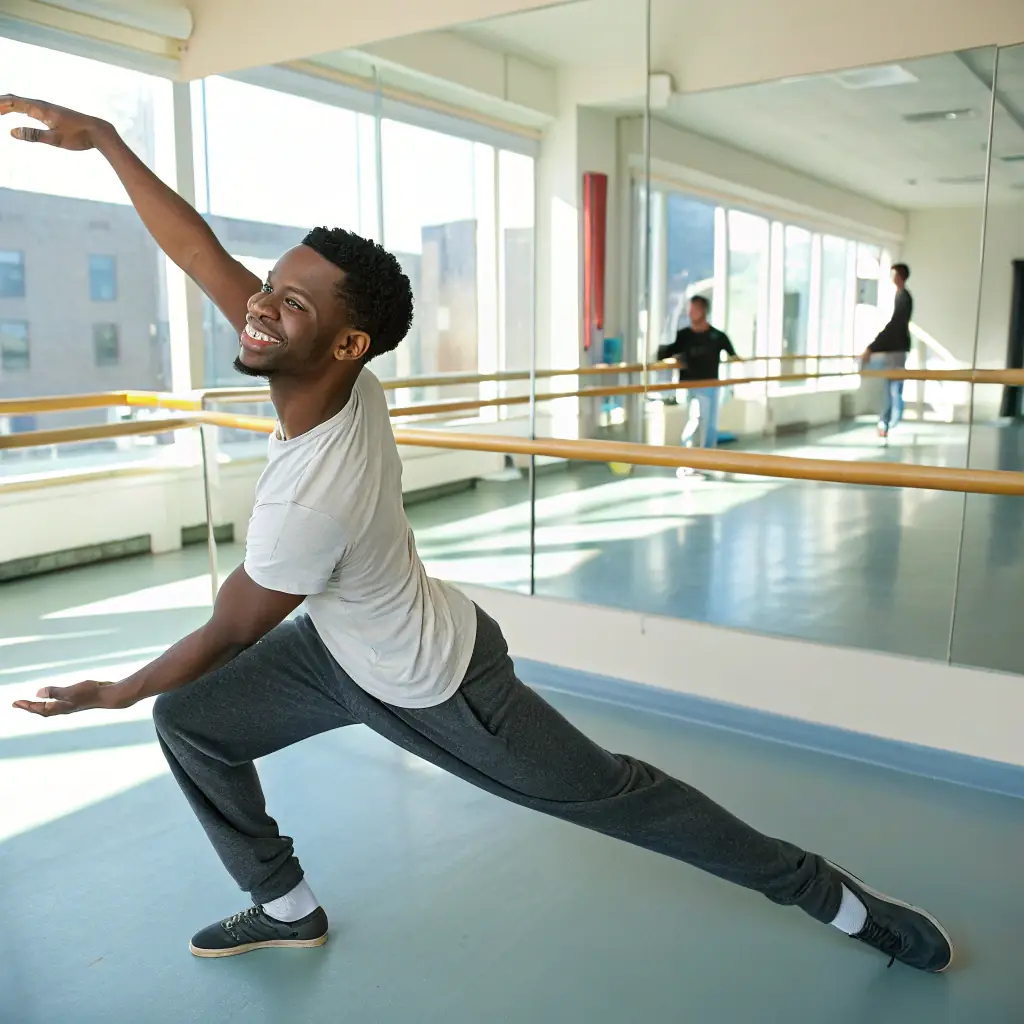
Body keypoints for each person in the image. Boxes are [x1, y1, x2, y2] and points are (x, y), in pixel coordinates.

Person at [6, 94, 952, 975]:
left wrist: (116, 689)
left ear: (345, 345)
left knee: (624, 797)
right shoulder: (333, 376)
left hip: (440, 688)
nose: (258, 305)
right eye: (272, 286)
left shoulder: (309, 501)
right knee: (193, 724)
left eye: (290, 302)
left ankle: (832, 897)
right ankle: (286, 905)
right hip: (342, 647)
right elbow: (201, 254)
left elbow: (228, 631)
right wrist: (108, 141)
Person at [656, 296, 737, 452]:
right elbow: (666, 352)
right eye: (690, 310)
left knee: (710, 423)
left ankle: (707, 454)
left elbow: (733, 355)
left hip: (710, 385)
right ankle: (688, 453)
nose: (691, 313)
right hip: (690, 384)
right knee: (696, 418)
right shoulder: (684, 336)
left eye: (694, 310)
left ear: (703, 311)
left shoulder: (717, 336)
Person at [861, 264, 913, 440]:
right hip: (896, 348)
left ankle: (887, 422)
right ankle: (886, 422)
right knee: (892, 387)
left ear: (900, 276)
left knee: (892, 388)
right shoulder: (901, 297)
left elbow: (895, 326)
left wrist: (872, 347)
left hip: (896, 350)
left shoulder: (903, 298)